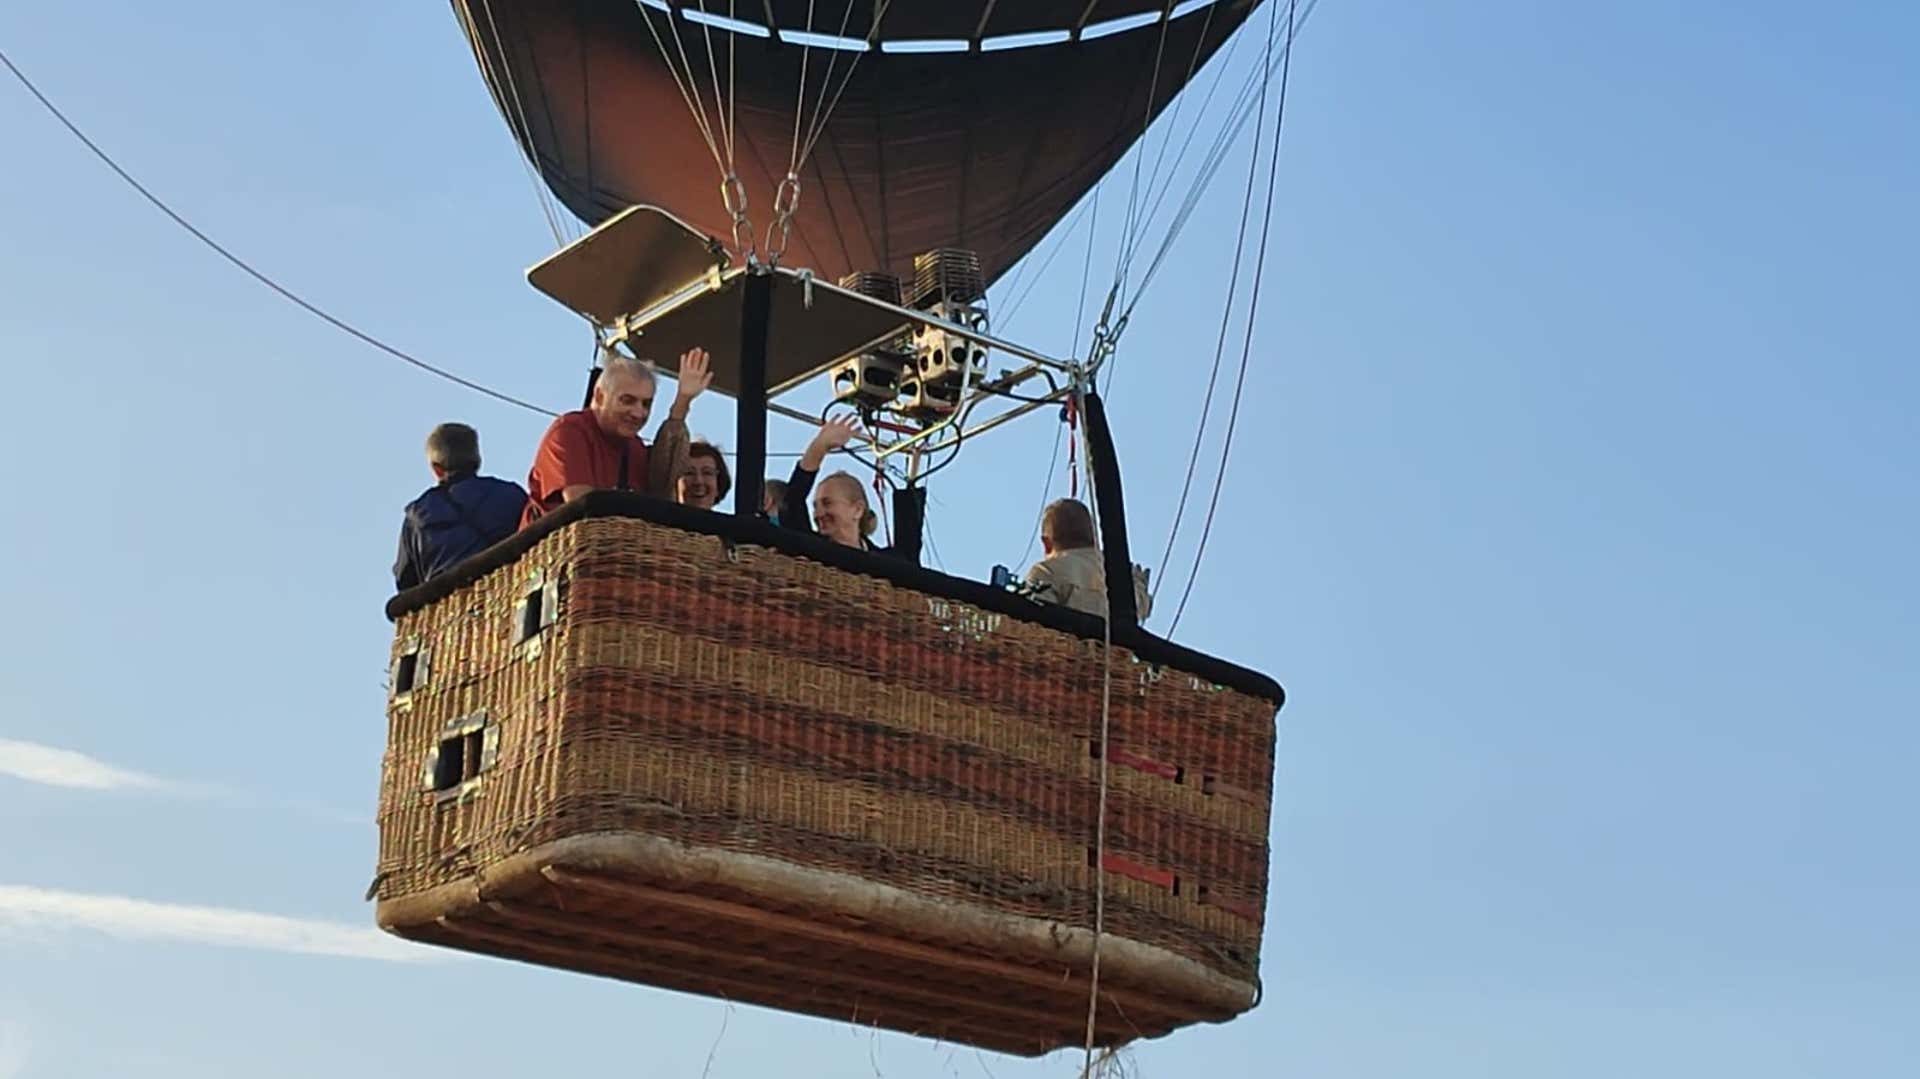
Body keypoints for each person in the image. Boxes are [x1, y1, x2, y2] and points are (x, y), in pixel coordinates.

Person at [521, 347, 713, 528]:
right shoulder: (570, 431)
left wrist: (682, 401)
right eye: (627, 401)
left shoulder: (634, 446)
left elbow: (662, 486)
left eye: (646, 404)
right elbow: (584, 508)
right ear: (600, 396)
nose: (638, 413)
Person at [394, 422, 528, 590]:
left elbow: (405, 583)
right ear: (478, 459)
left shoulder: (417, 516)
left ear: (437, 469)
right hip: (506, 595)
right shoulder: (511, 494)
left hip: (449, 608)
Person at [780, 416, 912, 560]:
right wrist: (820, 446)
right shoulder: (812, 549)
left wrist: (914, 460)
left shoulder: (887, 561)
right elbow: (791, 503)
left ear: (857, 510)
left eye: (827, 503)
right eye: (815, 506)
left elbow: (911, 550)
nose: (818, 514)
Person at [1023, 498, 1152, 620]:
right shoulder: (1123, 572)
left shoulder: (1045, 571)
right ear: (1094, 535)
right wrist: (1139, 583)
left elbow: (1033, 617)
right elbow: (1141, 605)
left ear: (1046, 543)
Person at [676, 439, 731, 511]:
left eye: (707, 473)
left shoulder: (729, 522)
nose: (698, 481)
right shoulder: (658, 520)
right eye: (689, 473)